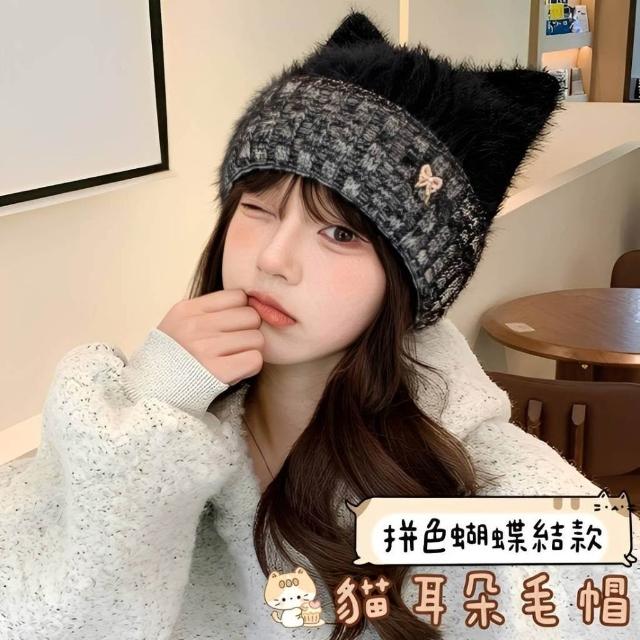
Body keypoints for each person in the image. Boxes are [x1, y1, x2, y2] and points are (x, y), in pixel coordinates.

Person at [1, 9, 638, 640]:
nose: (273, 259)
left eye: (339, 233)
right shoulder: (124, 422)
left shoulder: (492, 489)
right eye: (258, 208)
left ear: (408, 280)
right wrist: (152, 414)